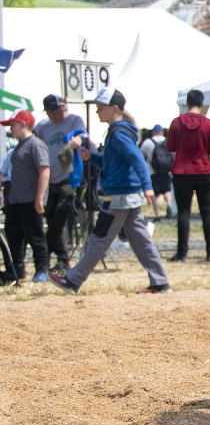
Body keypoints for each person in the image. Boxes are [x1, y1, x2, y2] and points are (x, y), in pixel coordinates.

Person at [49, 89, 170, 294]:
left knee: (99, 239)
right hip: (126, 195)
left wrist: (147, 186)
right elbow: (114, 162)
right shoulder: (119, 131)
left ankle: (73, 280)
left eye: (101, 107)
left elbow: (136, 158)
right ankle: (160, 282)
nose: (97, 111)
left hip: (119, 197)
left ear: (115, 109)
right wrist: (93, 158)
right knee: (141, 241)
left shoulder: (118, 132)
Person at [33, 95, 87, 274]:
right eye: (51, 111)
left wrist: (78, 140)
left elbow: (82, 134)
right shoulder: (42, 127)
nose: (56, 114)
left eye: (58, 109)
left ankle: (43, 257)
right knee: (51, 219)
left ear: (64, 107)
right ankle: (63, 261)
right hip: (49, 179)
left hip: (69, 178)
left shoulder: (74, 120)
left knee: (59, 219)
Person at [166, 90, 210, 262]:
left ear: (187, 103)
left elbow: (170, 146)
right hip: (204, 170)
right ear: (202, 103)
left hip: (182, 171)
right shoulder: (209, 124)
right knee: (207, 212)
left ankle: (182, 252)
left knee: (183, 212)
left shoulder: (176, 123)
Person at [2, 110, 51, 283]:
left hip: (30, 200)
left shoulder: (35, 144)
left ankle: (42, 270)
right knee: (13, 234)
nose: (10, 129)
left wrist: (39, 198)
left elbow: (44, 171)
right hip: (15, 200)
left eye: (12, 125)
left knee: (35, 236)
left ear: (23, 124)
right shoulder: (18, 147)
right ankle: (17, 269)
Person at [140, 124, 174, 219]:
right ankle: (169, 205)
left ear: (153, 131)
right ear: (162, 131)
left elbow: (141, 155)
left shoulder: (148, 142)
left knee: (155, 193)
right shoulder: (167, 141)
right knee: (167, 190)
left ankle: (157, 214)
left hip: (153, 172)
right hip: (166, 171)